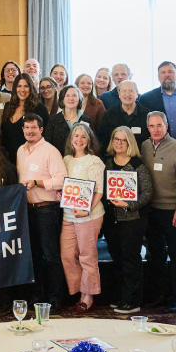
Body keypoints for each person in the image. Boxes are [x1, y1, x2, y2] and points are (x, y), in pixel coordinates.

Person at [140, 111, 176, 313]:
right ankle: (160, 294)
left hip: (173, 211)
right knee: (156, 255)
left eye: (159, 125)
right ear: (147, 128)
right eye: (152, 126)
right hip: (151, 210)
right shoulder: (144, 146)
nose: (156, 130)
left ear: (167, 126)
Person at [17, 113, 68, 308]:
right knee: (34, 256)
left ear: (41, 130)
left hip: (47, 210)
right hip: (27, 211)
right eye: (26, 127)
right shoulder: (20, 151)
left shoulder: (50, 151)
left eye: (33, 128)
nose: (30, 131)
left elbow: (62, 180)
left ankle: (55, 298)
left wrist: (38, 183)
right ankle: (37, 296)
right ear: (22, 130)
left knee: (50, 255)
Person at [101, 126, 153, 314]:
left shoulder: (138, 165)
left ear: (130, 142)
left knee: (131, 259)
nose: (119, 143)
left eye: (123, 140)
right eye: (116, 139)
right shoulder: (107, 163)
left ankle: (133, 301)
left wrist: (128, 204)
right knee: (117, 259)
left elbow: (147, 193)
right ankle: (122, 297)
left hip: (132, 219)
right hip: (111, 220)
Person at [60, 122, 105, 314]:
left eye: (83, 136)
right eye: (76, 136)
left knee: (87, 257)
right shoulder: (66, 160)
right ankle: (80, 293)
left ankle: (88, 297)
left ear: (89, 140)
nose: (79, 140)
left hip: (90, 215)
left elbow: (99, 191)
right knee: (67, 256)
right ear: (71, 139)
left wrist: (87, 210)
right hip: (68, 215)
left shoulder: (94, 161)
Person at [138, 61, 176, 142]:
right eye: (163, 72)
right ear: (158, 77)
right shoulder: (146, 99)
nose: (167, 75)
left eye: (170, 72)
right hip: (160, 149)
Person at [0, 74, 45, 157]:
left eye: (26, 86)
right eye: (19, 86)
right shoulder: (8, 106)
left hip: (31, 157)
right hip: (8, 160)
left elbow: (44, 137)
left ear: (31, 88)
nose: (22, 90)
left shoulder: (39, 109)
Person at [97, 80, 151, 148]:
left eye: (131, 91)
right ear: (119, 94)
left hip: (142, 157)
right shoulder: (109, 115)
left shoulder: (147, 115)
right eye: (124, 91)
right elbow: (103, 140)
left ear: (137, 94)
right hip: (115, 157)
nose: (127, 94)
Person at [45, 86, 91, 154]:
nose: (71, 98)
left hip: (82, 162)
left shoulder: (87, 120)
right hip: (58, 161)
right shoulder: (53, 121)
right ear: (62, 99)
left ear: (79, 99)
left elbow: (92, 144)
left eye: (74, 95)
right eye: (67, 96)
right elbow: (47, 145)